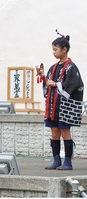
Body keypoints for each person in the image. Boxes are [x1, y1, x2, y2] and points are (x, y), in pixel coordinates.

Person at [41, 31, 84, 170]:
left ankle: (67, 162)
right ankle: (56, 160)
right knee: (54, 133)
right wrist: (44, 79)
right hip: (53, 106)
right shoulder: (53, 67)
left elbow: (73, 85)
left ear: (64, 49)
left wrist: (56, 84)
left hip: (64, 107)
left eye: (55, 49)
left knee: (65, 132)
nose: (53, 52)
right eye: (52, 49)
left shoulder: (71, 67)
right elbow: (48, 84)